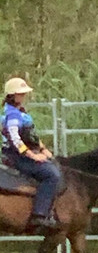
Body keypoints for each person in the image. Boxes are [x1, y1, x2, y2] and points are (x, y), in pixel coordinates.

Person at [2, 77, 62, 231]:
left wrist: (43, 149)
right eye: (20, 94)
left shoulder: (20, 112)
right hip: (17, 156)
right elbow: (15, 139)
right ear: (12, 96)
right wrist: (33, 155)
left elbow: (31, 136)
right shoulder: (13, 115)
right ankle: (39, 215)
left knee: (53, 165)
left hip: (23, 153)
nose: (23, 97)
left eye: (24, 94)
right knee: (51, 175)